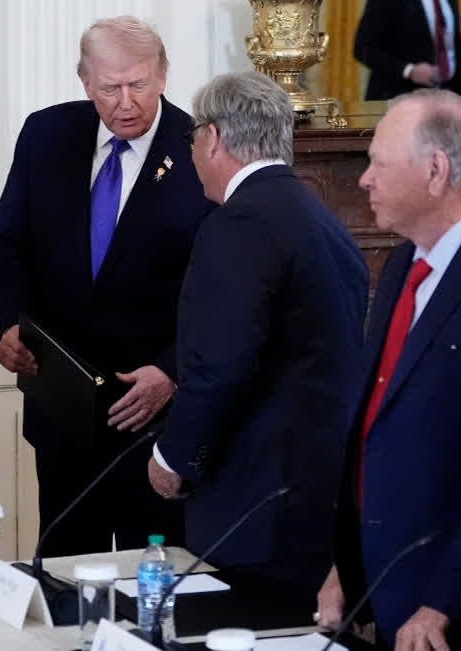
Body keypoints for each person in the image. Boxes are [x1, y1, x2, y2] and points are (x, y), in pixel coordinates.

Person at [0, 16, 212, 557]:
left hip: (151, 411)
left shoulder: (199, 150)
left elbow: (218, 292)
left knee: (151, 576)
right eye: (110, 88)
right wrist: (10, 321)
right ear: (85, 81)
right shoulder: (46, 134)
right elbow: (8, 246)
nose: (126, 102)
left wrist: (173, 371)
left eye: (139, 84)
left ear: (163, 76)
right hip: (61, 403)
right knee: (64, 571)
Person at [147, 71, 368, 595]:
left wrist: (173, 457)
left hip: (252, 505)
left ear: (215, 137)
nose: (194, 152)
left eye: (193, 137)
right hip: (315, 498)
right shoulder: (321, 218)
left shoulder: (239, 223)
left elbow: (218, 365)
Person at [316, 89, 461, 651]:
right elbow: (375, 427)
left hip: (445, 620)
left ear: (435, 170)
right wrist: (346, 569)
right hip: (387, 600)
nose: (363, 180)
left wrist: (442, 602)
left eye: (379, 162)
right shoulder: (403, 263)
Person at [355, 0, 461, 100]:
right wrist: (409, 71)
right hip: (399, 97)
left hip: (448, 98)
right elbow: (363, 49)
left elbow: (454, 47)